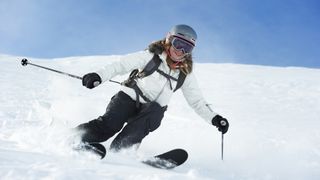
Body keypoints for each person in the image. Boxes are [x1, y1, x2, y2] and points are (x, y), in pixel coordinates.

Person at [76, 24, 229, 152]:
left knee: (150, 118)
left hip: (151, 111)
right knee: (110, 125)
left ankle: (121, 151)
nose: (181, 51)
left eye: (187, 48)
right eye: (178, 44)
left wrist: (215, 119)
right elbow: (121, 65)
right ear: (169, 40)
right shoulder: (151, 56)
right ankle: (77, 138)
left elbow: (197, 101)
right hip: (128, 98)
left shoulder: (185, 74)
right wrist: (98, 76)